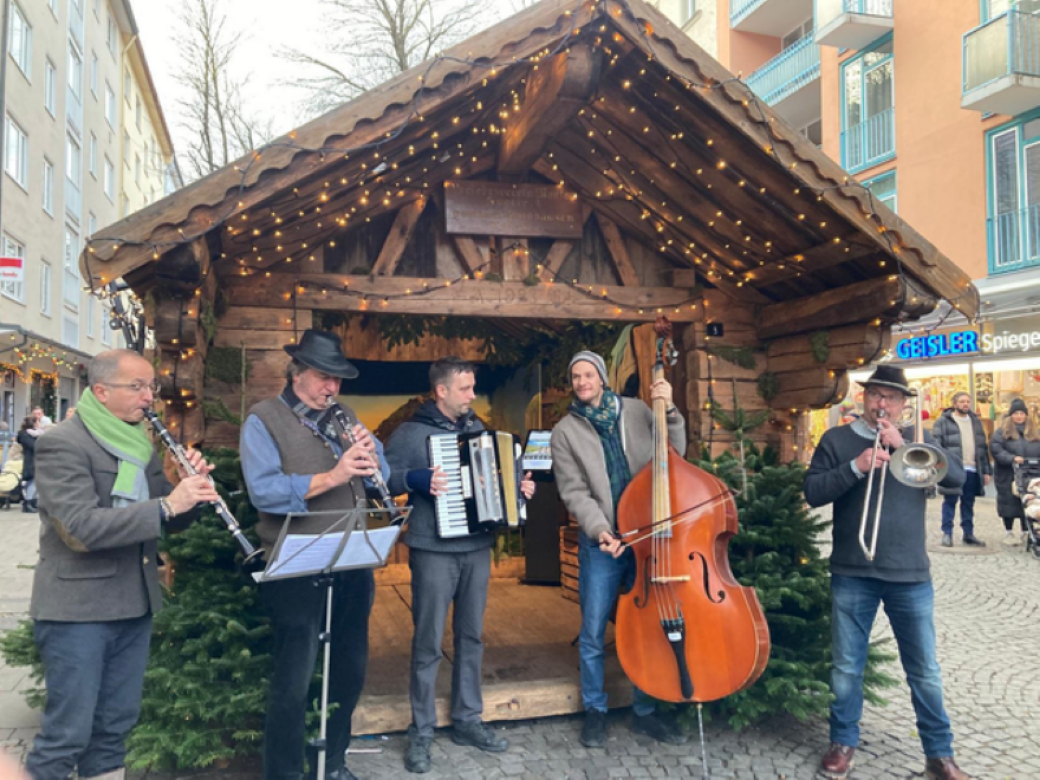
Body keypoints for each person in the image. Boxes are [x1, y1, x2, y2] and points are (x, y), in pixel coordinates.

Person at [24, 349, 217, 780]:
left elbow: (167, 520)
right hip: (78, 612)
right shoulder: (63, 443)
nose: (149, 396)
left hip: (133, 605)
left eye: (151, 386)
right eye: (137, 387)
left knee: (114, 731)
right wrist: (167, 505)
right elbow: (79, 529)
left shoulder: (139, 443)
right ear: (101, 391)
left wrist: (187, 488)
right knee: (66, 737)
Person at [805, 365, 969, 780]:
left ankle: (939, 754)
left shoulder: (918, 439)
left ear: (902, 404)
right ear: (864, 397)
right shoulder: (836, 439)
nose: (883, 404)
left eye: (892, 398)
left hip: (910, 574)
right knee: (846, 666)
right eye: (876, 394)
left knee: (924, 670)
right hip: (852, 570)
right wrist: (855, 467)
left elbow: (957, 479)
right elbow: (813, 493)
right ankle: (843, 743)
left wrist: (904, 447)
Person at [240, 329, 389, 780]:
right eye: (325, 377)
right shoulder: (263, 419)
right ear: (298, 374)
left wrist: (373, 460)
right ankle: (284, 773)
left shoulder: (344, 416)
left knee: (349, 670)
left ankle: (333, 762)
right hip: (295, 565)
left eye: (337, 379)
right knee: (294, 679)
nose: (333, 387)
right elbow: (264, 491)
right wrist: (334, 475)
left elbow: (382, 472)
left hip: (351, 561)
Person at [384, 357, 535, 774]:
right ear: (442, 391)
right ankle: (422, 730)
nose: (472, 395)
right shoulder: (411, 433)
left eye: (472, 387)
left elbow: (501, 475)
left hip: (476, 546)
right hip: (432, 548)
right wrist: (416, 480)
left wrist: (520, 487)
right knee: (428, 641)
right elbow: (381, 479)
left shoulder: (478, 430)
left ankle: (468, 719)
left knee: (471, 636)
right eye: (465, 388)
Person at [550, 351, 688, 749]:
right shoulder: (564, 432)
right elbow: (575, 492)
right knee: (593, 629)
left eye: (588, 374)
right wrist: (600, 531)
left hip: (648, 537)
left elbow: (675, 452)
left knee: (647, 626)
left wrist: (670, 410)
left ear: (602, 377)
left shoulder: (639, 410)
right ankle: (595, 710)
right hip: (604, 543)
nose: (581, 382)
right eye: (575, 376)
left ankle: (645, 711)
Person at [930, 392, 991, 548]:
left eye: (968, 401)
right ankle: (947, 533)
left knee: (968, 503)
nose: (965, 404)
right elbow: (936, 445)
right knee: (950, 501)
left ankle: (968, 534)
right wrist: (941, 466)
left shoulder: (975, 422)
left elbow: (982, 448)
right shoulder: (943, 422)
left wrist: (986, 471)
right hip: (953, 468)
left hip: (972, 468)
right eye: (962, 401)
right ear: (954, 404)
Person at [989, 398, 1040, 546]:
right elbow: (996, 449)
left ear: (1026, 415)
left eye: (1021, 413)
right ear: (1011, 415)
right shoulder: (1001, 433)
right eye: (1016, 413)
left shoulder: (1034, 432)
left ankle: (1026, 531)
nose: (1019, 416)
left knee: (1029, 500)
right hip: (1008, 474)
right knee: (1008, 502)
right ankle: (1009, 532)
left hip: (1031, 473)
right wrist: (1012, 458)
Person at [16, 416, 38, 513]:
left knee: (33, 482)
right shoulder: (24, 435)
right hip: (30, 461)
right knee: (33, 481)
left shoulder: (32, 434)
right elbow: (34, 446)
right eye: (37, 422)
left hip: (34, 460)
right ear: (33, 423)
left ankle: (32, 501)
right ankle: (28, 503)